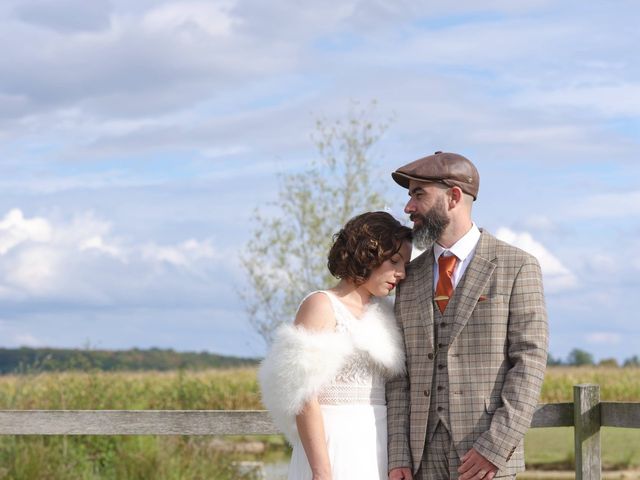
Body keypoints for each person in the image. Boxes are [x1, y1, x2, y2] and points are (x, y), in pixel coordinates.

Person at [386, 152, 548, 480]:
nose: (408, 208)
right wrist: (398, 454)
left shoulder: (517, 266)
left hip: (485, 458)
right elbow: (399, 374)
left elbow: (529, 364)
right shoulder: (409, 276)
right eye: (409, 196)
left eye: (419, 195)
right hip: (419, 459)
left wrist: (496, 446)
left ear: (454, 197)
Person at [259, 211, 413, 480]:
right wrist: (322, 472)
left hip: (379, 446)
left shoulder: (386, 313)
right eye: (394, 261)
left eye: (405, 265)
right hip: (333, 447)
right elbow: (303, 396)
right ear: (369, 254)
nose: (401, 273)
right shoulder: (321, 305)